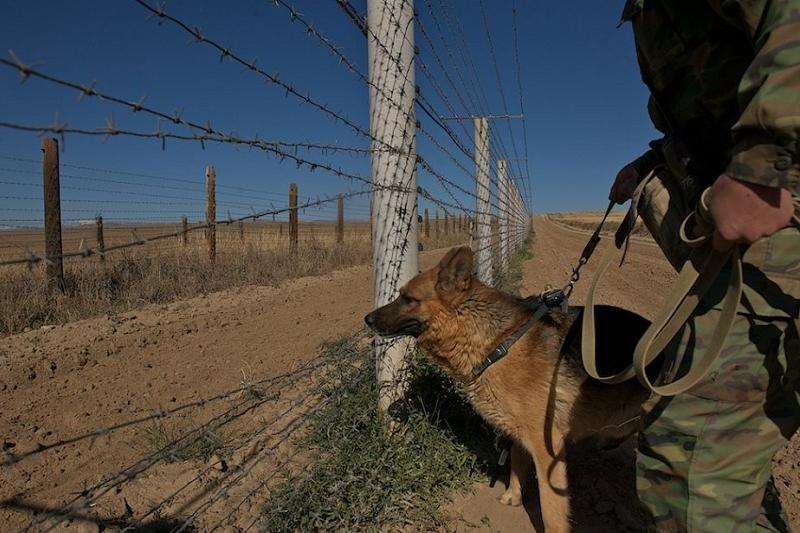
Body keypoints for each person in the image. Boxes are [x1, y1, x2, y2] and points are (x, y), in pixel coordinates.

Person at [609, 1, 800, 530]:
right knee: (726, 455)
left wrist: (762, 163)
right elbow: (708, 102)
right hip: (755, 223)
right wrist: (650, 161)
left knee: (692, 476)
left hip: (779, 207)